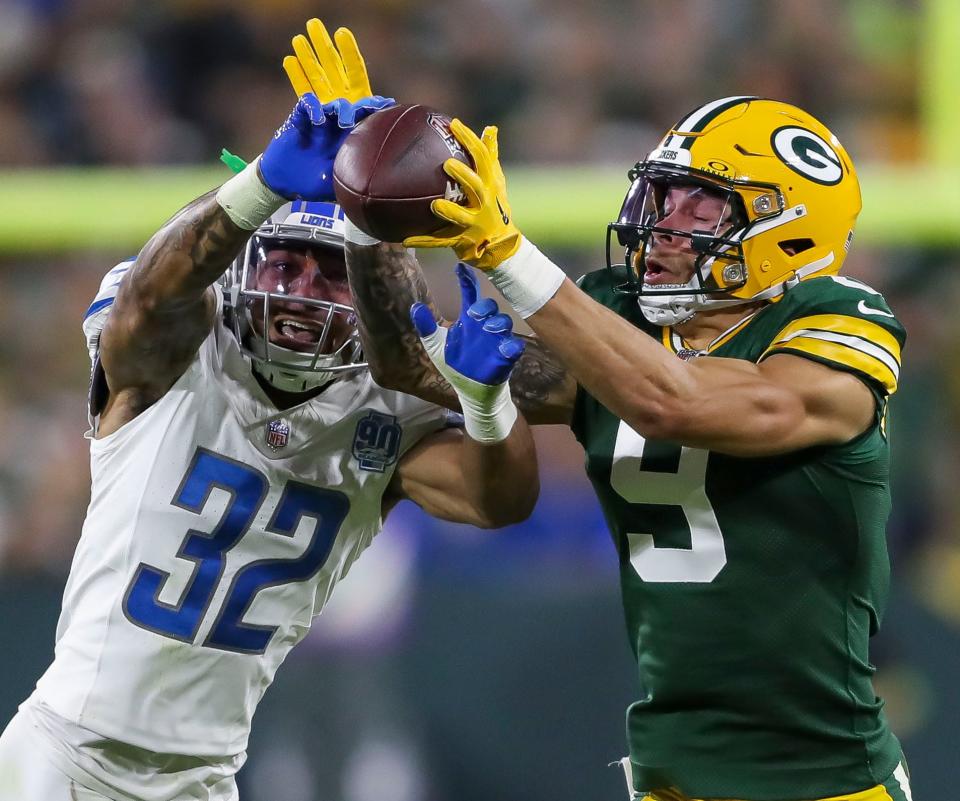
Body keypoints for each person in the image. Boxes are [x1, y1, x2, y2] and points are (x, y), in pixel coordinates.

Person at [332, 77, 915, 801]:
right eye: (665, 195)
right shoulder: (620, 317)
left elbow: (675, 400)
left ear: (790, 228)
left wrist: (505, 252)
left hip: (818, 776)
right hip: (668, 766)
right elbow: (413, 364)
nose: (668, 222)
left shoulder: (840, 326)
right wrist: (360, 208)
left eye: (703, 201)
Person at [0, 21, 539, 801]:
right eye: (283, 262)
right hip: (63, 757)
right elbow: (153, 297)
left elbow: (500, 499)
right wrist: (260, 181)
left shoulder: (386, 401)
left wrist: (485, 403)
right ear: (247, 260)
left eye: (326, 275)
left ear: (369, 299)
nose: (298, 293)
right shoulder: (182, 348)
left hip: (206, 775)